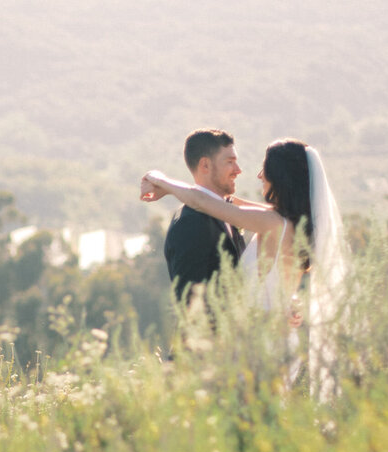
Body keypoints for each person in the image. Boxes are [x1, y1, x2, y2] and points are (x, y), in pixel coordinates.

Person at [141, 138, 348, 396]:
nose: (260, 176)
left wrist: (162, 181)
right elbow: (226, 201)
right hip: (275, 342)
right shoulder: (291, 225)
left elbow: (203, 202)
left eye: (266, 170)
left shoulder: (272, 223)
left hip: (261, 345)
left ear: (280, 177)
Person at [162, 129, 246, 303]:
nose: (238, 170)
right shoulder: (190, 223)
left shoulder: (228, 212)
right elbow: (191, 304)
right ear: (205, 165)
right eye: (230, 162)